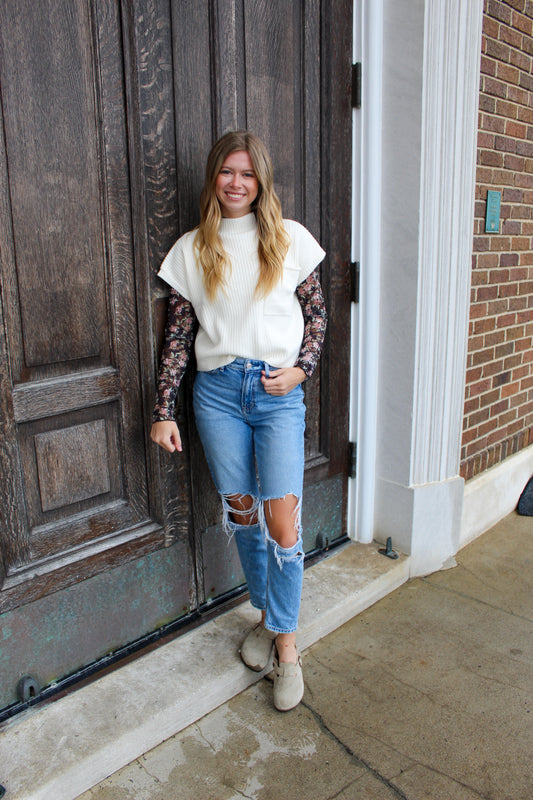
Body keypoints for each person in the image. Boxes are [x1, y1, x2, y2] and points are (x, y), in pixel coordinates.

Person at [150, 130, 327, 711]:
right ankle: (268, 619)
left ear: (261, 182)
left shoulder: (289, 239)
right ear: (214, 177)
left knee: (283, 524)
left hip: (277, 395)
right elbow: (178, 336)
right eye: (227, 171)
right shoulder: (192, 249)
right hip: (218, 394)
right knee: (245, 516)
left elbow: (317, 317)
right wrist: (163, 411)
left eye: (247, 174)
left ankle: (288, 648)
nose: (236, 183)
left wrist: (301, 370)